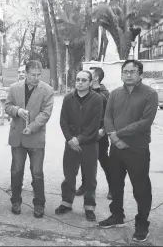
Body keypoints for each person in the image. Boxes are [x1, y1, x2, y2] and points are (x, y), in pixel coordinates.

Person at [99, 60, 158, 242]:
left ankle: (142, 224)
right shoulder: (115, 94)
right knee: (115, 184)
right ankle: (117, 215)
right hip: (116, 149)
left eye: (132, 71)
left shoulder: (150, 94)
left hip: (137, 149)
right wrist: (114, 138)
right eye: (125, 71)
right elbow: (107, 117)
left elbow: (145, 122)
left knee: (141, 188)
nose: (128, 74)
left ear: (140, 73)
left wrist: (118, 134)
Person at [5, 60, 54, 218]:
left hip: (36, 136)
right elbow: (6, 106)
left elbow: (46, 113)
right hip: (17, 137)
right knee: (16, 171)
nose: (36, 78)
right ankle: (16, 201)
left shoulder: (47, 90)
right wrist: (17, 110)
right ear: (25, 73)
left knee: (37, 173)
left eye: (39, 75)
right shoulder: (14, 88)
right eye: (33, 75)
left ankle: (39, 204)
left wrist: (32, 127)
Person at [56, 70, 103, 222]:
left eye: (84, 80)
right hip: (71, 144)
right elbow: (63, 121)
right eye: (78, 80)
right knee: (69, 174)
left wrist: (80, 139)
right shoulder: (68, 98)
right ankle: (66, 202)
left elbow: (95, 124)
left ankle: (89, 207)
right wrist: (70, 139)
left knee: (89, 177)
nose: (80, 82)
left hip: (89, 144)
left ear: (90, 82)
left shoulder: (97, 99)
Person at [75, 67, 111, 200]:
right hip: (85, 135)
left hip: (100, 135)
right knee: (85, 161)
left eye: (89, 74)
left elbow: (110, 115)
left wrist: (103, 130)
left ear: (95, 78)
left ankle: (112, 187)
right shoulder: (84, 92)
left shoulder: (105, 94)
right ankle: (85, 186)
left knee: (104, 161)